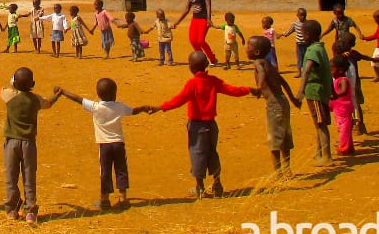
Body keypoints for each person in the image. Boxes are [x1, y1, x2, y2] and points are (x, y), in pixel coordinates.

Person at [145, 51, 254, 198]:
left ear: (191, 68)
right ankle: (217, 183)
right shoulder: (213, 81)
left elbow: (178, 100)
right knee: (212, 152)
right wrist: (248, 90)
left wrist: (160, 107)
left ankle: (200, 188)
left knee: (197, 154)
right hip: (211, 125)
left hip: (197, 126)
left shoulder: (192, 84)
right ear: (206, 65)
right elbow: (232, 90)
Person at [54, 79, 146, 210]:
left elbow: (78, 99)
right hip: (119, 144)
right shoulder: (120, 107)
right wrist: (143, 108)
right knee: (121, 170)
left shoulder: (95, 107)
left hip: (104, 146)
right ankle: (123, 198)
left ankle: (105, 199)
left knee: (105, 172)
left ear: (98, 94)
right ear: (115, 94)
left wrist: (62, 92)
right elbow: (134, 111)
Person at [0, 67, 56, 225]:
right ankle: (30, 211)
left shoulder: (9, 95)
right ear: (33, 83)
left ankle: (12, 209)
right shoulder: (36, 100)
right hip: (29, 143)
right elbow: (49, 103)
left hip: (11, 143)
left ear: (14, 82)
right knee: (29, 176)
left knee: (11, 176)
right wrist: (58, 94)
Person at [246, 37, 299, 176]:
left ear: (257, 52)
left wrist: (258, 88)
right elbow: (283, 82)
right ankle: (287, 170)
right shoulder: (270, 64)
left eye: (248, 46)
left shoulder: (258, 63)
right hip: (283, 102)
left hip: (274, 105)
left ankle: (278, 174)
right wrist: (293, 99)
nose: (246, 49)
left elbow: (261, 74)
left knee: (275, 141)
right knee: (285, 138)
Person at [295, 20, 333, 166]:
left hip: (315, 92)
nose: (302, 35)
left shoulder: (312, 51)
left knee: (320, 124)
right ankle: (319, 152)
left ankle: (327, 156)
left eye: (303, 33)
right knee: (319, 122)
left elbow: (307, 71)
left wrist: (300, 92)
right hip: (321, 90)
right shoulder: (320, 48)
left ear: (308, 35)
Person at [171, 0, 218, 65]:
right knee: (193, 41)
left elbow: (208, 6)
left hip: (203, 19)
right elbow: (186, 9)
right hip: (195, 20)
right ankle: (203, 59)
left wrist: (209, 19)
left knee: (200, 40)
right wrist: (177, 21)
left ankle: (212, 59)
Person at [330, 57, 355, 156]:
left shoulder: (343, 80)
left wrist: (335, 95)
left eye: (332, 69)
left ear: (340, 70)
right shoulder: (337, 79)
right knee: (343, 128)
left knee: (344, 129)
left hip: (343, 108)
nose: (330, 71)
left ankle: (343, 148)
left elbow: (344, 91)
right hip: (339, 109)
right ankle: (349, 148)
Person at [281, 8, 308, 76]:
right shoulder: (295, 24)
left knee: (307, 57)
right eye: (301, 15)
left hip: (307, 44)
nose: (303, 17)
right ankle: (299, 72)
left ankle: (306, 72)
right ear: (297, 15)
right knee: (299, 58)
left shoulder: (308, 23)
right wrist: (282, 34)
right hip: (299, 44)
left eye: (304, 15)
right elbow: (289, 31)